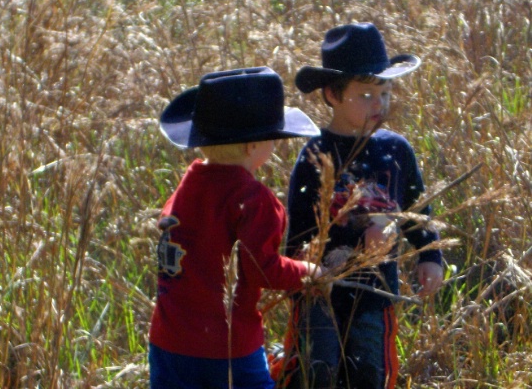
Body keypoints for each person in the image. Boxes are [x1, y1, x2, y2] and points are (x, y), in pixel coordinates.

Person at [285, 23, 444, 388]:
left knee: (369, 371)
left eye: (385, 93)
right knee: (315, 370)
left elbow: (417, 208)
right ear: (332, 94)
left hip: (375, 290)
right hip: (319, 290)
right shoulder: (315, 151)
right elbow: (298, 225)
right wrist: (302, 275)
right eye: (366, 95)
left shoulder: (395, 150)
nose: (379, 104)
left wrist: (429, 255)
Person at [149, 66, 329, 389]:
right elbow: (263, 270)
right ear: (252, 147)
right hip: (227, 348)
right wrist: (307, 270)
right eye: (273, 138)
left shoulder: (188, 185)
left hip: (167, 342)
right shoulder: (253, 200)